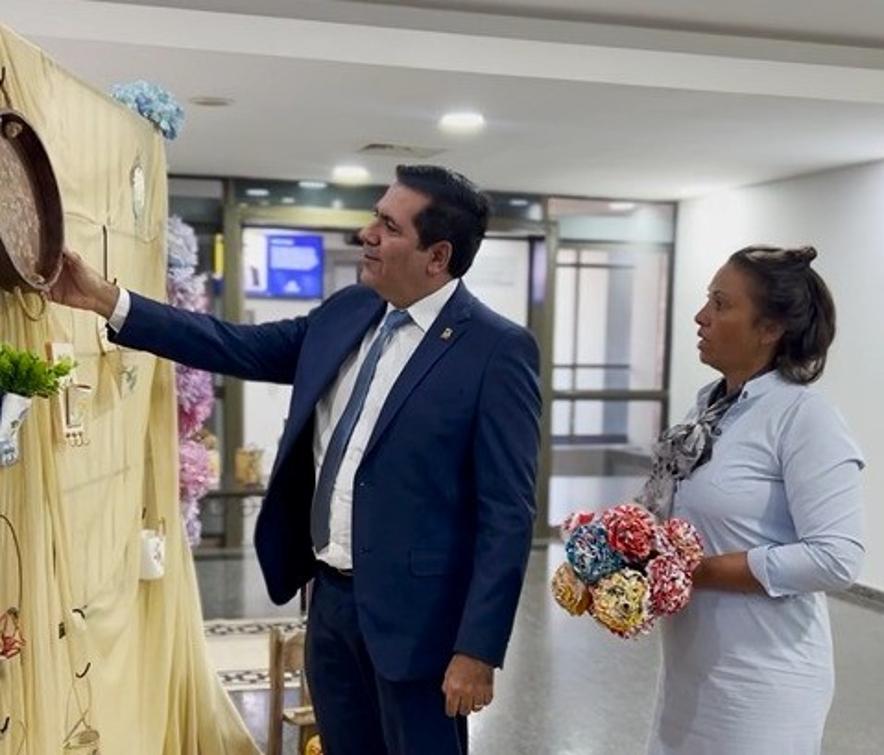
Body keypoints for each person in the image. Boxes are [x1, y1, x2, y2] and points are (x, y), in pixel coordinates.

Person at [51, 165, 541, 755]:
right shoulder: (350, 311)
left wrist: (477, 650)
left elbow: (507, 514)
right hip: (330, 605)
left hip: (421, 628)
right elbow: (233, 344)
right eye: (375, 216)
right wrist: (106, 300)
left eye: (388, 225)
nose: (367, 233)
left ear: (437, 255)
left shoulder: (495, 350)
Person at [639, 245, 865, 755]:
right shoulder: (711, 406)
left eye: (721, 305)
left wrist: (697, 571)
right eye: (707, 301)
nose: (701, 317)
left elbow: (837, 559)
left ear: (771, 329)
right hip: (689, 674)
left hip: (763, 686)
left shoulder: (805, 418)